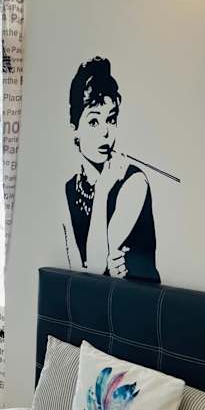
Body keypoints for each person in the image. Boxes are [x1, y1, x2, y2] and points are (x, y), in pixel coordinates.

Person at [63, 57, 160, 283]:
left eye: (111, 119)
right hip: (91, 302)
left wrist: (103, 190)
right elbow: (74, 271)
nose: (106, 132)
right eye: (94, 122)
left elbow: (94, 269)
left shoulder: (134, 182)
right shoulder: (70, 188)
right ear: (75, 130)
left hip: (138, 302)